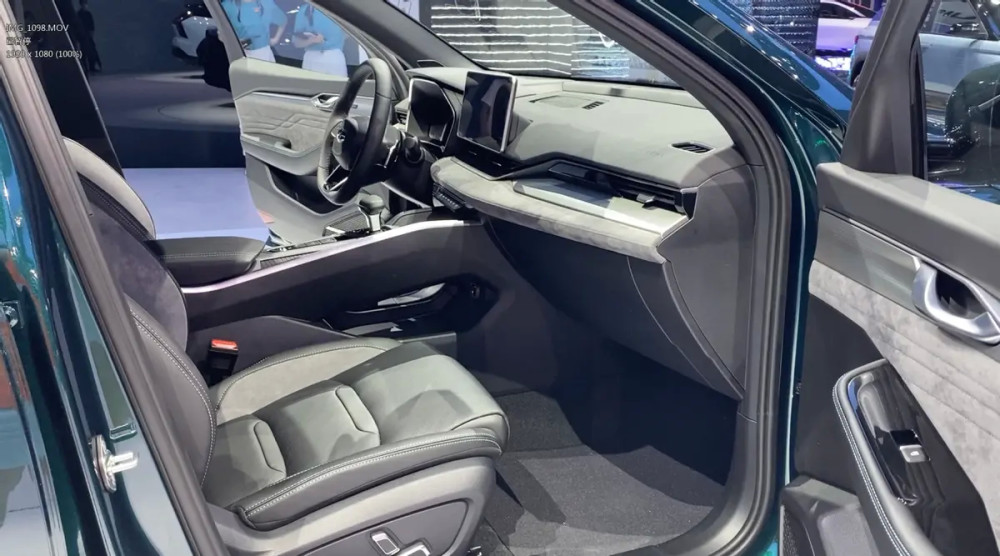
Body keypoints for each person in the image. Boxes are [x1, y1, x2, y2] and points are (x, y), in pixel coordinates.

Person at [222, 0, 287, 63]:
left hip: (264, 55)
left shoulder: (266, 3)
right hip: (240, 55)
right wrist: (233, 42)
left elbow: (283, 20)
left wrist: (275, 39)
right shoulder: (227, 5)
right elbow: (220, 33)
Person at [292, 4, 346, 76]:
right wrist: (311, 40)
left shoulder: (340, 8)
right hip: (312, 58)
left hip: (334, 57)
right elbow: (296, 42)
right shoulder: (304, 10)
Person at [76, 0, 101, 73]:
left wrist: (91, 34)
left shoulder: (88, 14)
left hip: (88, 36)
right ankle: (85, 68)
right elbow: (77, 26)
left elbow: (92, 26)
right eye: (83, 4)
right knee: (84, 52)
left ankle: (91, 67)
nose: (85, 5)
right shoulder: (79, 14)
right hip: (82, 36)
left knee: (91, 52)